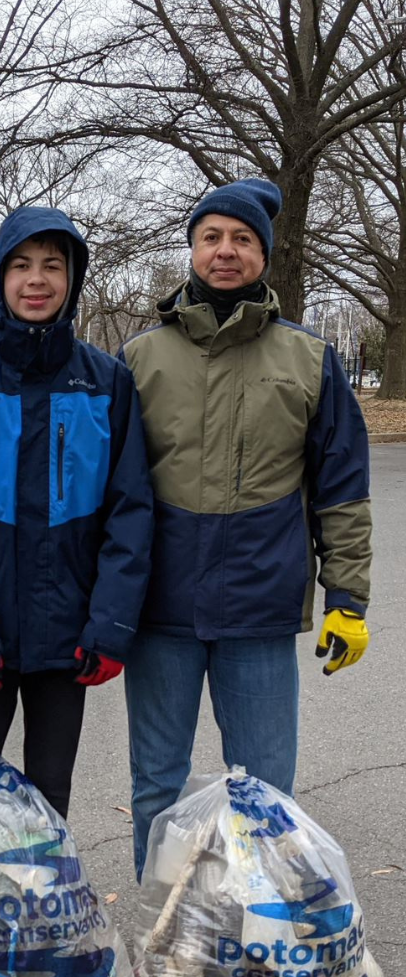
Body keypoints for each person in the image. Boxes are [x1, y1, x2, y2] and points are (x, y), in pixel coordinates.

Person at [120, 178, 373, 879]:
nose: (225, 251)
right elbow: (111, 491)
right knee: (157, 788)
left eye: (242, 239)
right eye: (211, 237)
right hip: (160, 608)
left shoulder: (310, 359)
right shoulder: (139, 359)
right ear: (192, 249)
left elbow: (342, 491)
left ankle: (259, 925)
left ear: (264, 253)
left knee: (265, 791)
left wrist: (349, 599)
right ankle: (163, 922)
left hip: (260, 605)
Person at [0, 206, 155, 821]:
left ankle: (41, 886)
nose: (36, 279)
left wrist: (110, 626)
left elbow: (130, 511)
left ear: (72, 279)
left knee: (50, 801)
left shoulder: (107, 383)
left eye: (53, 265)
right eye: (21, 264)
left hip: (68, 640)